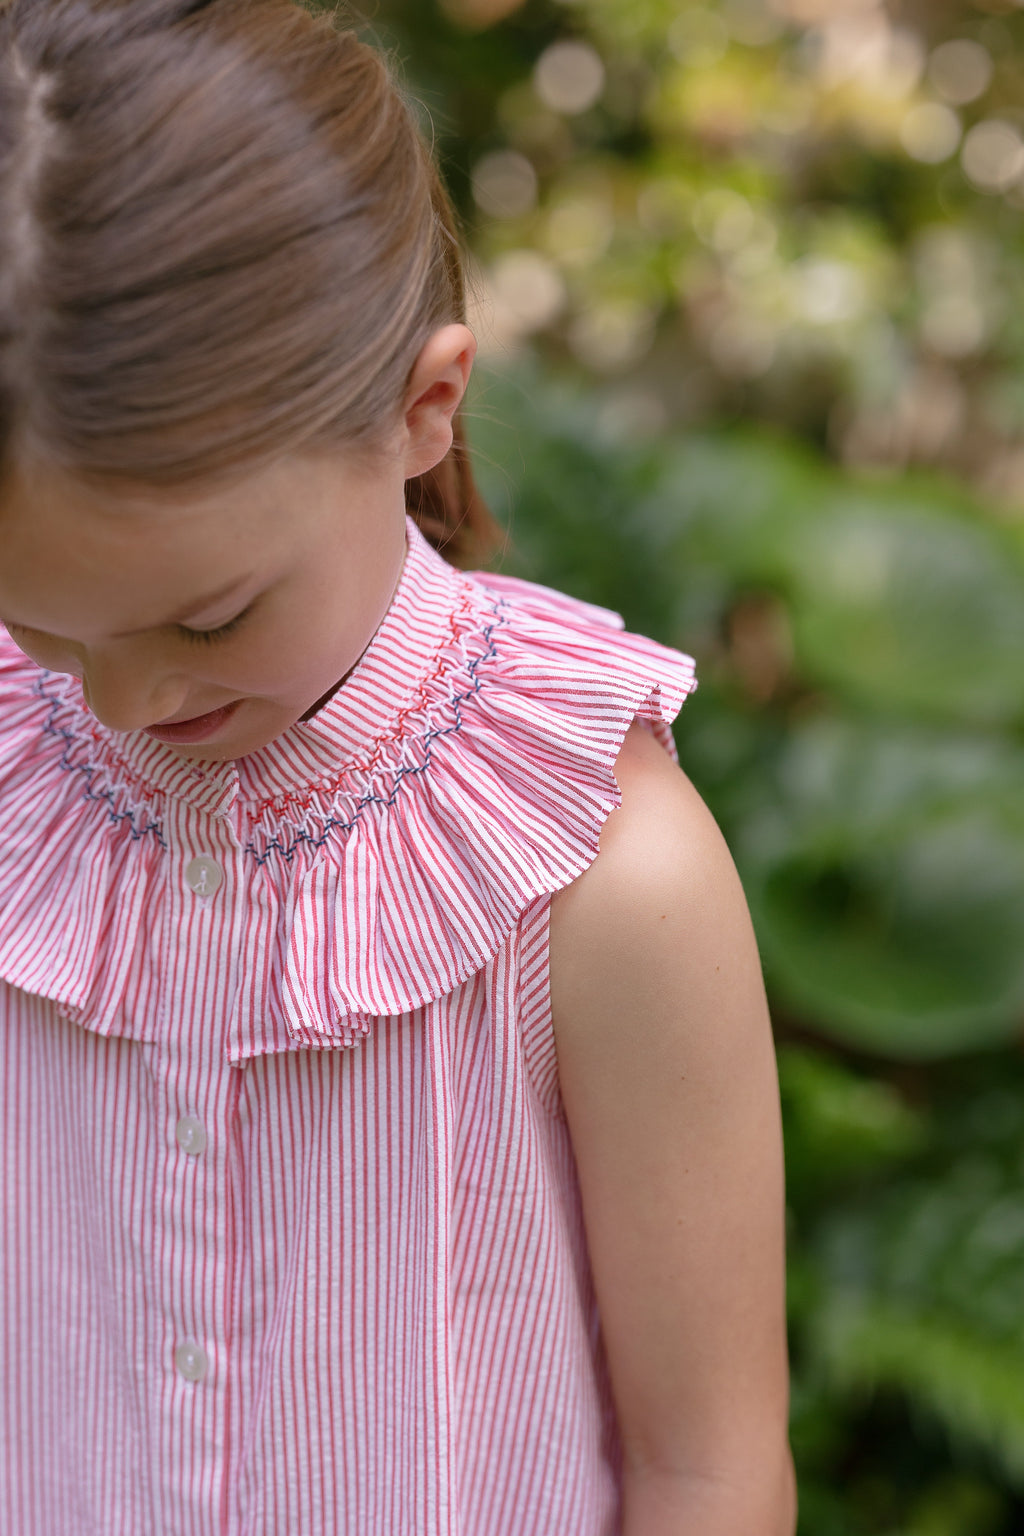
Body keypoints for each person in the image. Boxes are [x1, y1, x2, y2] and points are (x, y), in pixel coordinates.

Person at [0, 0, 796, 1532]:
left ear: (423, 410)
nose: (122, 693)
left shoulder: (601, 881)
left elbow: (707, 1469)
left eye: (210, 613)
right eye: (37, 619)